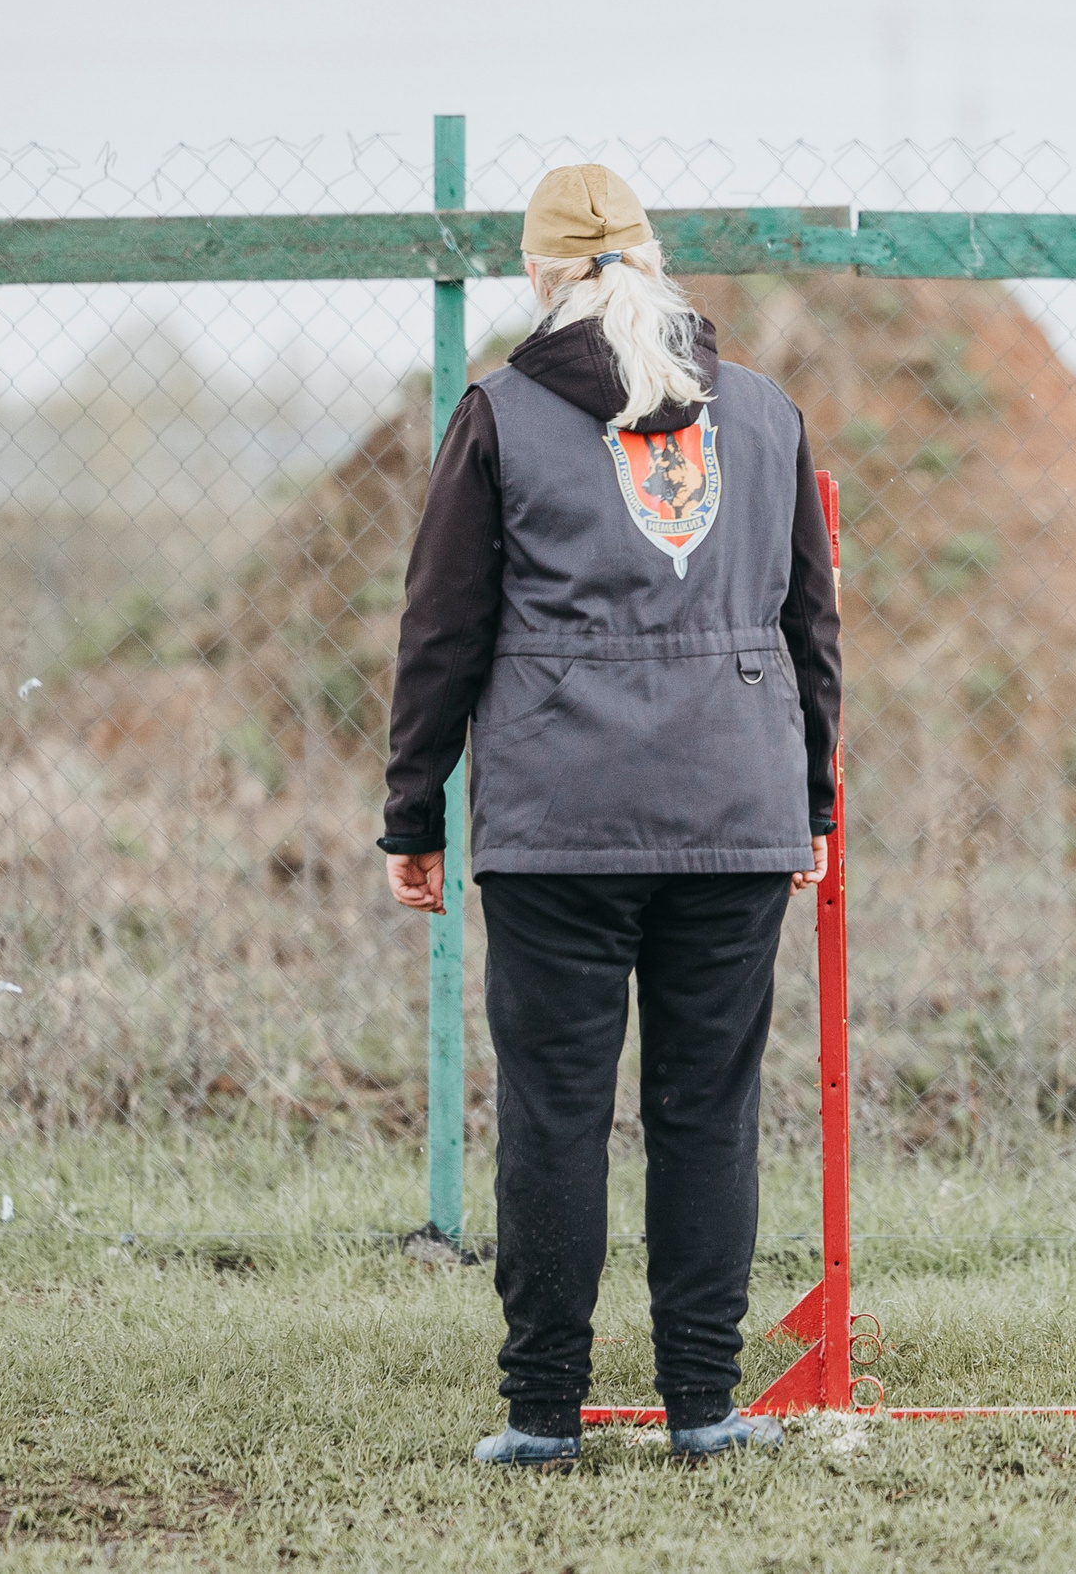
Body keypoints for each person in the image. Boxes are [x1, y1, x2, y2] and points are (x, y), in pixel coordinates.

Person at [379, 164, 841, 1466]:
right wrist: (809, 796)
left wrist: (415, 808)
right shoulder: (762, 414)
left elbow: (441, 629)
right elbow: (813, 626)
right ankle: (703, 1403)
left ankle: (543, 1413)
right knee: (709, 1109)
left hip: (559, 824)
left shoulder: (502, 415)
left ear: (541, 274)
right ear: (651, 261)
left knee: (555, 1111)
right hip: (735, 817)